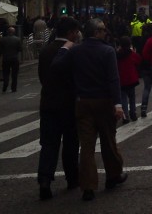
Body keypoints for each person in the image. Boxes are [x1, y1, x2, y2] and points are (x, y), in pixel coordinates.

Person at [54, 19, 127, 201]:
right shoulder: (107, 51)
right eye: (102, 30)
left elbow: (57, 66)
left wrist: (65, 48)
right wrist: (118, 104)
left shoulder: (76, 51)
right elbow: (113, 79)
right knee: (108, 141)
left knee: (86, 146)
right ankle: (112, 176)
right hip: (104, 101)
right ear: (96, 32)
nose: (105, 32)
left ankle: (88, 187)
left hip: (83, 102)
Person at [37, 17, 81, 200]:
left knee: (49, 144)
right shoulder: (73, 51)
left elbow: (42, 77)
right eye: (76, 31)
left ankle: (45, 180)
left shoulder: (46, 51)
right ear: (71, 32)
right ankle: (72, 178)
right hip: (69, 104)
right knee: (70, 143)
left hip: (48, 103)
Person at [116, 36, 141, 124]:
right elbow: (138, 61)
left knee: (123, 99)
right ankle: (133, 113)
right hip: (131, 79)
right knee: (132, 97)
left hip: (121, 80)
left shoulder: (117, 55)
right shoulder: (131, 54)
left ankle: (125, 116)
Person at [0, 25, 22, 93]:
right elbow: (20, 49)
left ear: (8, 32)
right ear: (14, 32)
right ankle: (14, 88)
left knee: (6, 73)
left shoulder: (3, 39)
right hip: (15, 59)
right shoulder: (17, 39)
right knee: (14, 74)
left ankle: (5, 84)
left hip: (6, 58)